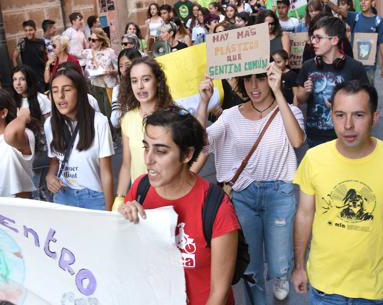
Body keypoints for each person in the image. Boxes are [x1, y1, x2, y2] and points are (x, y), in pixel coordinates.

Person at [292, 80, 383, 305]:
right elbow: (305, 214)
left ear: (375, 118)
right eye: (340, 115)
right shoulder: (314, 159)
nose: (348, 126)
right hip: (325, 287)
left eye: (359, 115)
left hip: (373, 291)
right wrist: (299, 266)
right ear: (331, 116)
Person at [196, 60, 305, 303]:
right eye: (248, 79)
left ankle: (280, 276)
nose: (254, 86)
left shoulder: (290, 111)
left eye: (261, 78)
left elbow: (297, 141)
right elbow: (200, 141)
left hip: (279, 194)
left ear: (271, 78)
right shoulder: (230, 116)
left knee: (279, 263)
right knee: (251, 268)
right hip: (242, 197)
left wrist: (278, 92)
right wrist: (203, 103)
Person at [119, 108, 240, 305]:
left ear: (187, 154)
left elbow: (219, 293)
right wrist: (121, 222)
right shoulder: (140, 190)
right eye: (146, 147)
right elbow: (128, 258)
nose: (148, 159)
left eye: (160, 151)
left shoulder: (216, 207)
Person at [44, 66, 115, 210]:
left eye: (67, 89)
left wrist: (109, 213)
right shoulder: (50, 124)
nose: (60, 96)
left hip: (94, 198)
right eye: (55, 90)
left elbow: (106, 173)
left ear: (80, 92)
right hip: (63, 196)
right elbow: (55, 160)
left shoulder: (99, 122)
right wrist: (50, 176)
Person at [295, 16, 369, 148]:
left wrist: (340, 106)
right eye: (313, 37)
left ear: (334, 40)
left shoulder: (355, 67)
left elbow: (367, 103)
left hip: (345, 135)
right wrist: (306, 92)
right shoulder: (308, 66)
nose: (313, 42)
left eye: (319, 38)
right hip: (315, 136)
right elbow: (299, 99)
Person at [113, 57, 175, 209]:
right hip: (140, 200)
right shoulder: (127, 119)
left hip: (170, 198)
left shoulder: (173, 116)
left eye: (146, 79)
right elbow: (127, 165)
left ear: (157, 81)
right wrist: (120, 198)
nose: (140, 86)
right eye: (134, 81)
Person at [326, 0, 383, 82]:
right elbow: (339, 10)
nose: (363, 2)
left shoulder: (379, 21)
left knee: (368, 90)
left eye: (366, 0)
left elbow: (382, 43)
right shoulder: (355, 17)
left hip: (369, 66)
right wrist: (327, 2)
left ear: (373, 2)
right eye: (361, 0)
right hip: (353, 64)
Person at [11, 65, 51, 200]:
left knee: (41, 187)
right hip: (22, 151)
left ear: (29, 80)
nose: (17, 83)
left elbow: (50, 126)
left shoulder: (41, 99)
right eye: (15, 79)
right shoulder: (13, 101)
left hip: (41, 150)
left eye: (22, 79)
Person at [85, 28, 118, 118]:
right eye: (90, 39)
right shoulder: (89, 53)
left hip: (108, 86)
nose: (91, 42)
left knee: (109, 113)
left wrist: (111, 72)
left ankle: (114, 131)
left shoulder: (109, 52)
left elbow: (118, 68)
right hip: (96, 86)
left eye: (94, 40)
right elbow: (87, 69)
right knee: (101, 114)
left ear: (101, 41)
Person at [110, 48, 143, 129]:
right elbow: (114, 122)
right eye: (120, 66)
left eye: (128, 65)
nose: (124, 70)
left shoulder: (145, 85)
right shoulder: (118, 89)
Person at [14, 20, 47, 91]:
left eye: (30, 30)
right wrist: (17, 71)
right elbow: (14, 57)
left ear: (35, 30)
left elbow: (45, 57)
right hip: (28, 74)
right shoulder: (22, 42)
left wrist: (47, 69)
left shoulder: (41, 42)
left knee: (42, 92)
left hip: (41, 73)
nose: (28, 32)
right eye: (26, 30)